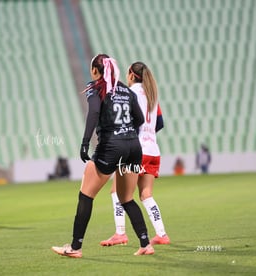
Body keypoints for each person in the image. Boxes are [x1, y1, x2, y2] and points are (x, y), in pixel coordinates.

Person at [51, 54, 153, 258]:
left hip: (110, 147)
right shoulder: (126, 89)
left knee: (85, 195)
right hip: (133, 147)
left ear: (95, 71)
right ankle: (145, 243)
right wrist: (125, 132)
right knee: (126, 199)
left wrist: (85, 142)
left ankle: (75, 247)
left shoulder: (96, 87)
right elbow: (140, 118)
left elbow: (94, 113)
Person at [100, 62, 170, 247]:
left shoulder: (129, 94)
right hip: (153, 151)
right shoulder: (152, 95)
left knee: (117, 191)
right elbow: (159, 123)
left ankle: (120, 233)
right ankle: (161, 234)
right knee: (146, 194)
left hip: (134, 150)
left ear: (131, 74)